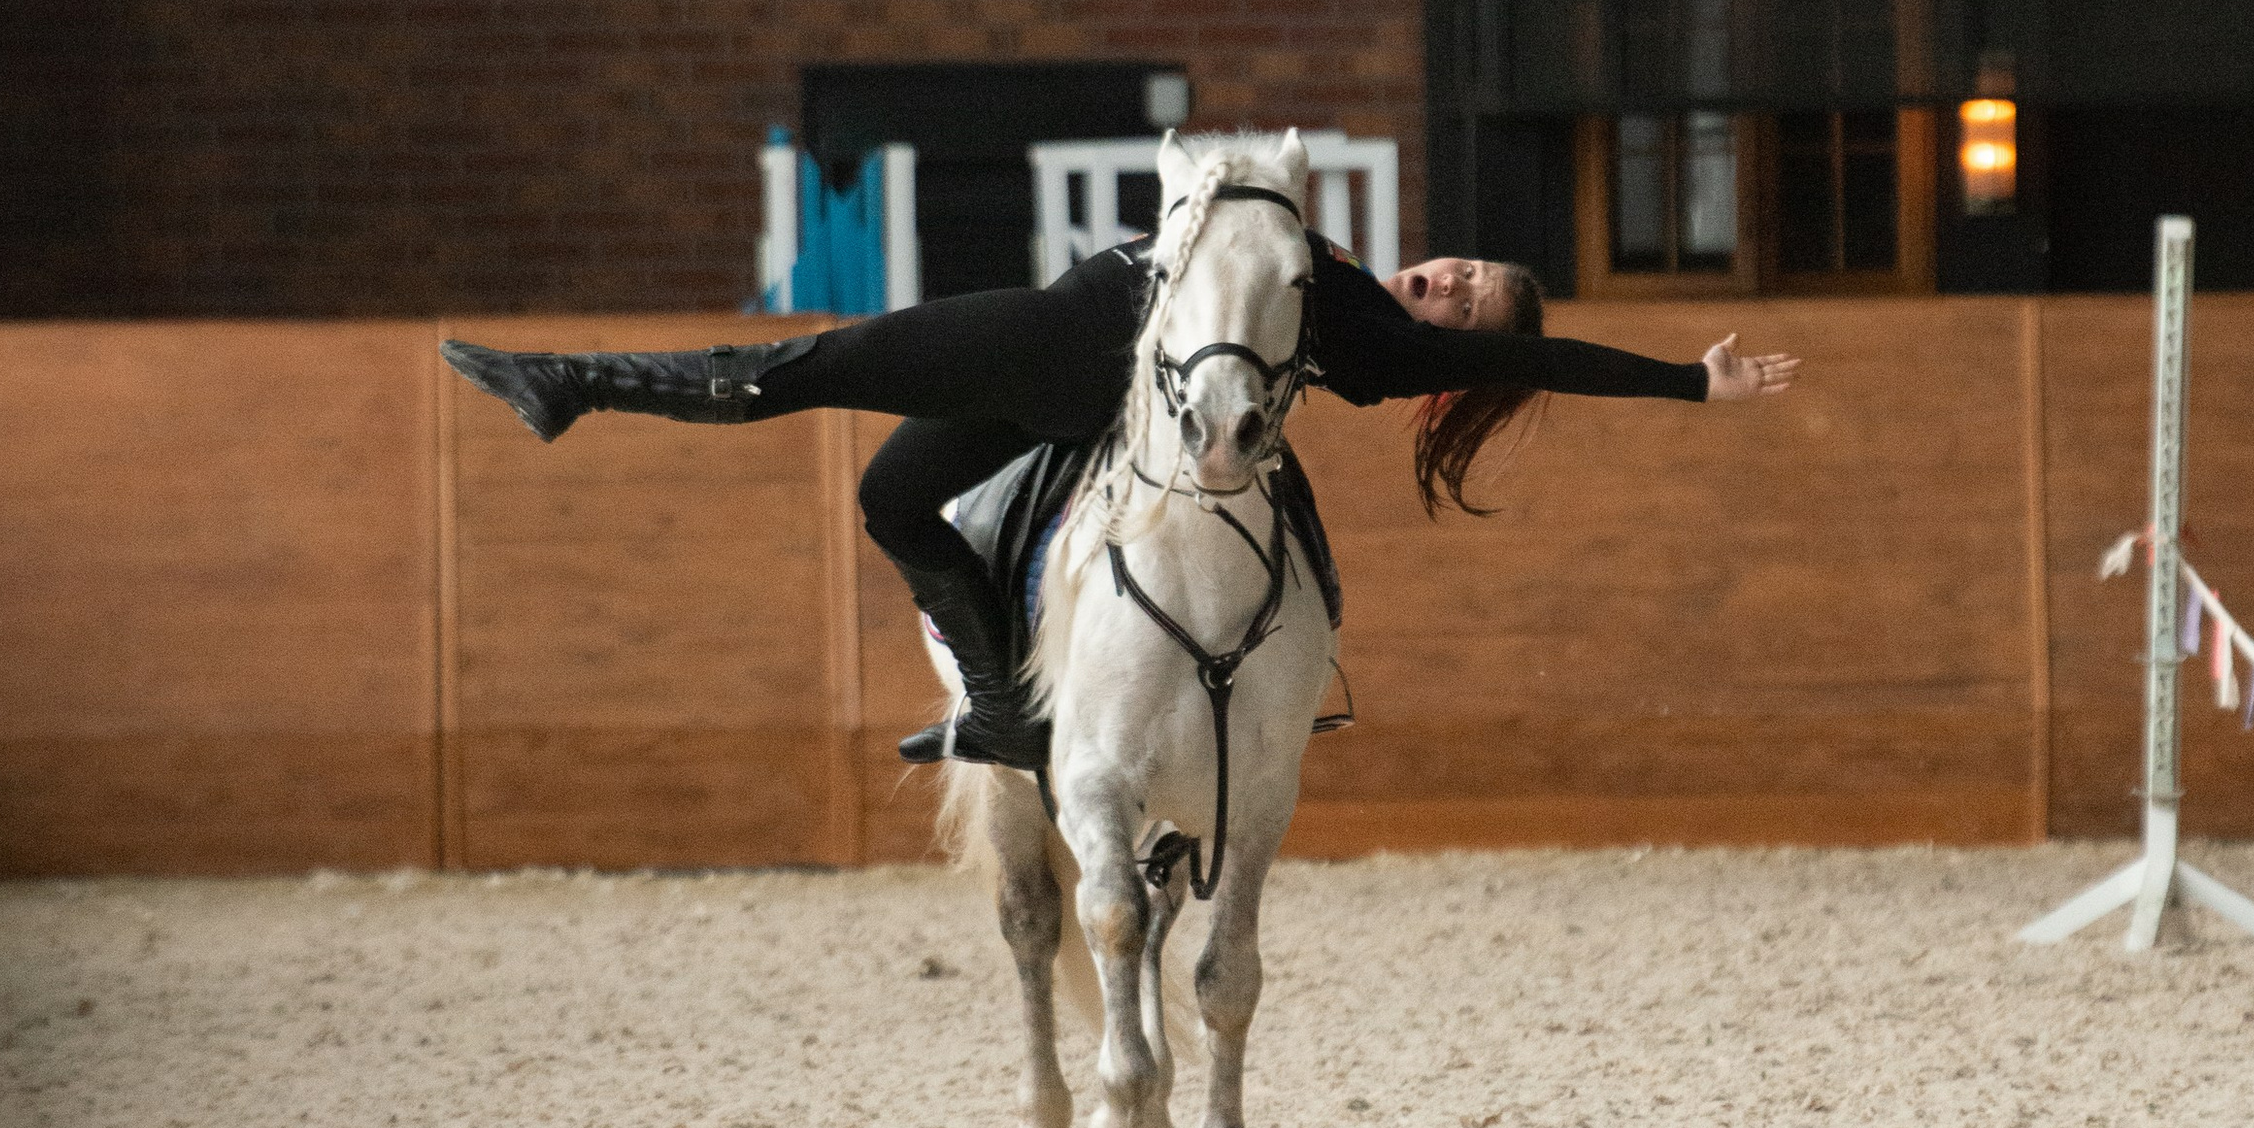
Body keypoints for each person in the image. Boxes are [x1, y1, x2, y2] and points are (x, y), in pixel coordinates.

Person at [443, 237, 1798, 771]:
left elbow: (1547, 357)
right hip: (1071, 343)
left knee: (812, 364)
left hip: (1066, 345)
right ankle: (1002, 705)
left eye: (1462, 293)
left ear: (1460, 345)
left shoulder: (1383, 345)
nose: (1439, 276)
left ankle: (573, 380)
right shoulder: (1336, 271)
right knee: (890, 496)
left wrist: (1691, 383)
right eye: (1455, 263)